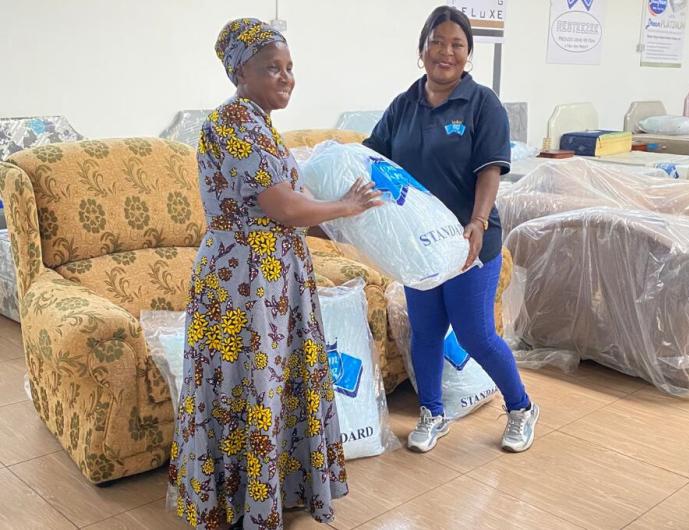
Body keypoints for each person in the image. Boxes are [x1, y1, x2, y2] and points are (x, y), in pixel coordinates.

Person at [169, 18, 382, 530]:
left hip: (270, 275)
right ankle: (242, 503)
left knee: (268, 383)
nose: (286, 77)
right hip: (245, 280)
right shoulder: (233, 122)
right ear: (240, 72)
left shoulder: (259, 123)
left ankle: (267, 494)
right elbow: (283, 206)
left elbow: (292, 204)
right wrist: (346, 206)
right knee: (250, 385)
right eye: (272, 68)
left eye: (289, 67)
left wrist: (347, 220)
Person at [363, 6, 540, 454]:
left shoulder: (482, 104)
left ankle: (521, 407)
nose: (446, 52)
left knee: (474, 332)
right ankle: (432, 412)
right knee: (424, 332)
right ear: (422, 49)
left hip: (469, 240)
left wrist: (477, 222)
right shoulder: (404, 105)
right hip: (422, 245)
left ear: (468, 53)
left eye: (457, 45)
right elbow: (372, 157)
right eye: (437, 42)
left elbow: (490, 171)